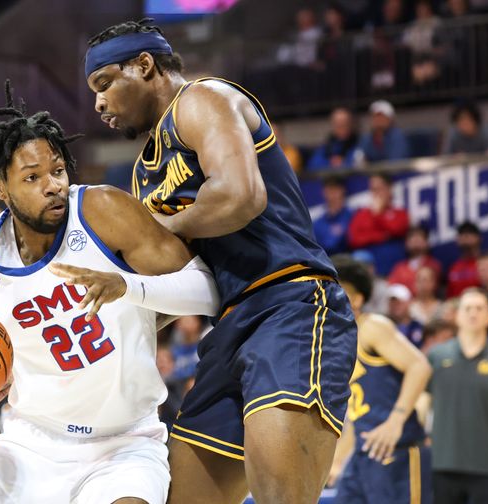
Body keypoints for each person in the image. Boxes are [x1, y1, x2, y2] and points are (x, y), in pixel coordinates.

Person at [0, 84, 221, 504]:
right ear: (0, 189)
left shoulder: (103, 212)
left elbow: (208, 290)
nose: (53, 186)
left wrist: (129, 287)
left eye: (57, 171)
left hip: (124, 446)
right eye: (32, 177)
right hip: (30, 446)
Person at [84, 19, 357, 504]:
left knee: (280, 495)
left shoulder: (202, 100)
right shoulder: (141, 175)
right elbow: (177, 278)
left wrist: (155, 229)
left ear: (144, 65)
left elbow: (240, 195)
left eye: (104, 84)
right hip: (227, 325)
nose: (98, 103)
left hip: (290, 302)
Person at [327, 257, 432, 503]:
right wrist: (338, 460)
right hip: (364, 456)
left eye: (334, 290)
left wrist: (395, 421)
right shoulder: (339, 343)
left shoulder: (372, 326)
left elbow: (420, 366)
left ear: (356, 300)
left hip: (399, 451)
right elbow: (357, 413)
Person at [418, 288, 488, 504]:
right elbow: (421, 405)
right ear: (457, 316)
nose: (473, 313)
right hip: (443, 466)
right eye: (467, 308)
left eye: (479, 308)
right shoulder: (436, 357)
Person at [348, 174, 410, 276]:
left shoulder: (400, 213)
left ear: (389, 189)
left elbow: (397, 229)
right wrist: (383, 236)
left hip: (393, 271)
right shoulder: (361, 214)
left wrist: (378, 214)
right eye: (373, 189)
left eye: (379, 188)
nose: (376, 193)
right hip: (367, 272)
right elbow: (354, 239)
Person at [387, 225, 442, 294]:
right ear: (406, 243)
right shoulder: (399, 268)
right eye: (412, 237)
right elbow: (392, 289)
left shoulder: (434, 265)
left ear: (427, 242)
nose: (416, 240)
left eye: (420, 237)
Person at [313, 175, 353, 256]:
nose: (333, 193)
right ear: (324, 192)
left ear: (343, 190)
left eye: (336, 188)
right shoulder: (317, 223)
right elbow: (325, 246)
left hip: (348, 261)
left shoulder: (352, 216)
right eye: (329, 189)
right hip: (326, 263)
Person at [446, 221, 482, 298]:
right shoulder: (453, 267)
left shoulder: (485, 264)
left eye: (469, 233)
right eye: (461, 234)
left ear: (478, 238)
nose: (465, 237)